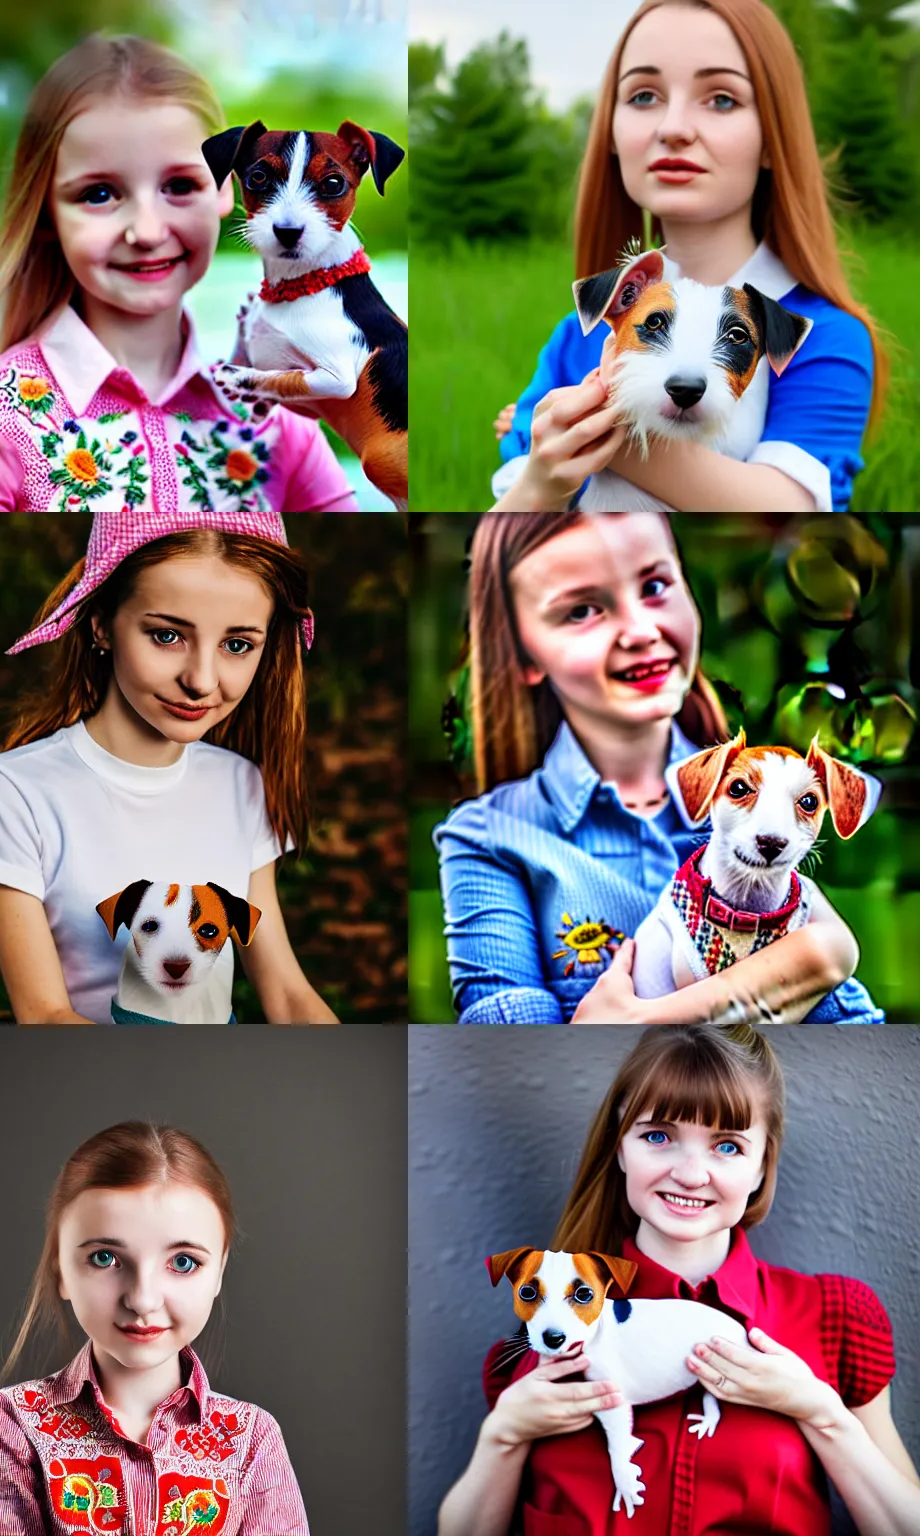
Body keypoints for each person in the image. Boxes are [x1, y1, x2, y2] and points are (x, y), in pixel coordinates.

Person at [438, 1023, 919, 1535]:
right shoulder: (534, 1350)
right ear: (619, 1147)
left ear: (762, 1166)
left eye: (727, 1146)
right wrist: (503, 1437)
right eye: (658, 1136)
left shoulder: (836, 1316)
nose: (691, 1174)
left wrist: (823, 1414)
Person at [434, 509, 882, 1022]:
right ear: (522, 655)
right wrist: (803, 964)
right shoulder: (486, 838)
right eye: (581, 610)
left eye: (654, 584)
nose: (641, 629)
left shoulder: (766, 819)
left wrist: (639, 1020)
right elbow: (514, 1071)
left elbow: (843, 1002)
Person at [0, 32, 356, 511]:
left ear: (225, 191)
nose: (146, 231)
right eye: (99, 194)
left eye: (179, 185)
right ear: (45, 214)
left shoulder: (276, 421)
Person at [0, 508, 338, 1024]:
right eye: (167, 636)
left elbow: (287, 992)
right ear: (102, 623)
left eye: (237, 645)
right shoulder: (11, 790)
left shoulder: (241, 783)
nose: (201, 679)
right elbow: (44, 1017)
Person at [490, 0, 886, 515]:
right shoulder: (578, 332)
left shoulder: (824, 336)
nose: (674, 127)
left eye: (721, 99)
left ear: (774, 138)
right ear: (610, 131)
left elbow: (788, 509)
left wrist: (584, 427)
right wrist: (539, 476)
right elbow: (512, 510)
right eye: (643, 95)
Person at [0, 1120, 308, 1534]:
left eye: (183, 1262)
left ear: (219, 1272)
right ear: (60, 1269)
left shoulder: (252, 1438)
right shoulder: (16, 1422)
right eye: (104, 1258)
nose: (143, 1299)